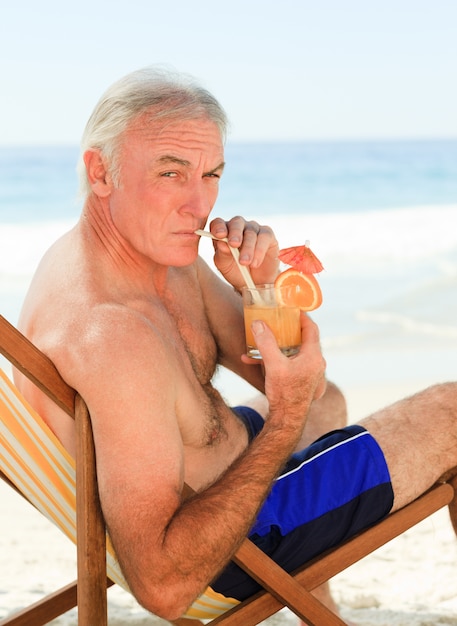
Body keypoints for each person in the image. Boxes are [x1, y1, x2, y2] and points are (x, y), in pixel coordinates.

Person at [15, 66, 457, 625]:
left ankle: (313, 603)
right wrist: (286, 416)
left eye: (211, 175)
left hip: (219, 483)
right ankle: (305, 589)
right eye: (172, 173)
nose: (199, 205)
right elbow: (165, 587)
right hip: (226, 544)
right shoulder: (113, 337)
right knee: (453, 410)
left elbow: (299, 379)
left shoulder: (149, 257)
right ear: (101, 171)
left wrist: (261, 286)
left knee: (326, 400)